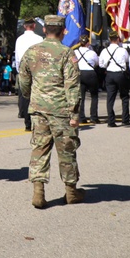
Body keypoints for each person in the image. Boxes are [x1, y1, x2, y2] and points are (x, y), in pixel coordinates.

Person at [18, 14, 83, 208]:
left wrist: (32, 96)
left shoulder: (31, 51)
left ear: (44, 29)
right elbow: (72, 86)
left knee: (39, 149)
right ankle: (71, 191)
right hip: (61, 110)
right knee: (67, 151)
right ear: (63, 31)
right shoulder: (66, 53)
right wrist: (74, 113)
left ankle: (39, 192)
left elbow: (23, 80)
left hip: (38, 110)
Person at [14, 17, 44, 131]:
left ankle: (27, 122)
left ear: (24, 26)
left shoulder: (19, 39)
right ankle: (37, 121)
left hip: (23, 69)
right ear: (34, 26)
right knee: (37, 96)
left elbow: (17, 57)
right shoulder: (39, 38)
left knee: (25, 96)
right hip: (36, 70)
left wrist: (19, 70)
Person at [98, 32, 130, 127]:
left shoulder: (104, 51)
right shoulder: (122, 50)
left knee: (110, 98)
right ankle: (125, 119)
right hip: (120, 74)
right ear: (118, 39)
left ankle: (111, 121)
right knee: (124, 97)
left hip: (109, 74)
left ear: (109, 39)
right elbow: (127, 60)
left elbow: (101, 65)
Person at [73, 35, 100, 123]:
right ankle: (93, 116)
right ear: (88, 43)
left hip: (80, 73)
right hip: (90, 73)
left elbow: (73, 62)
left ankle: (81, 117)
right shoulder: (92, 53)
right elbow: (97, 63)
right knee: (94, 96)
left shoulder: (75, 52)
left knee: (81, 97)